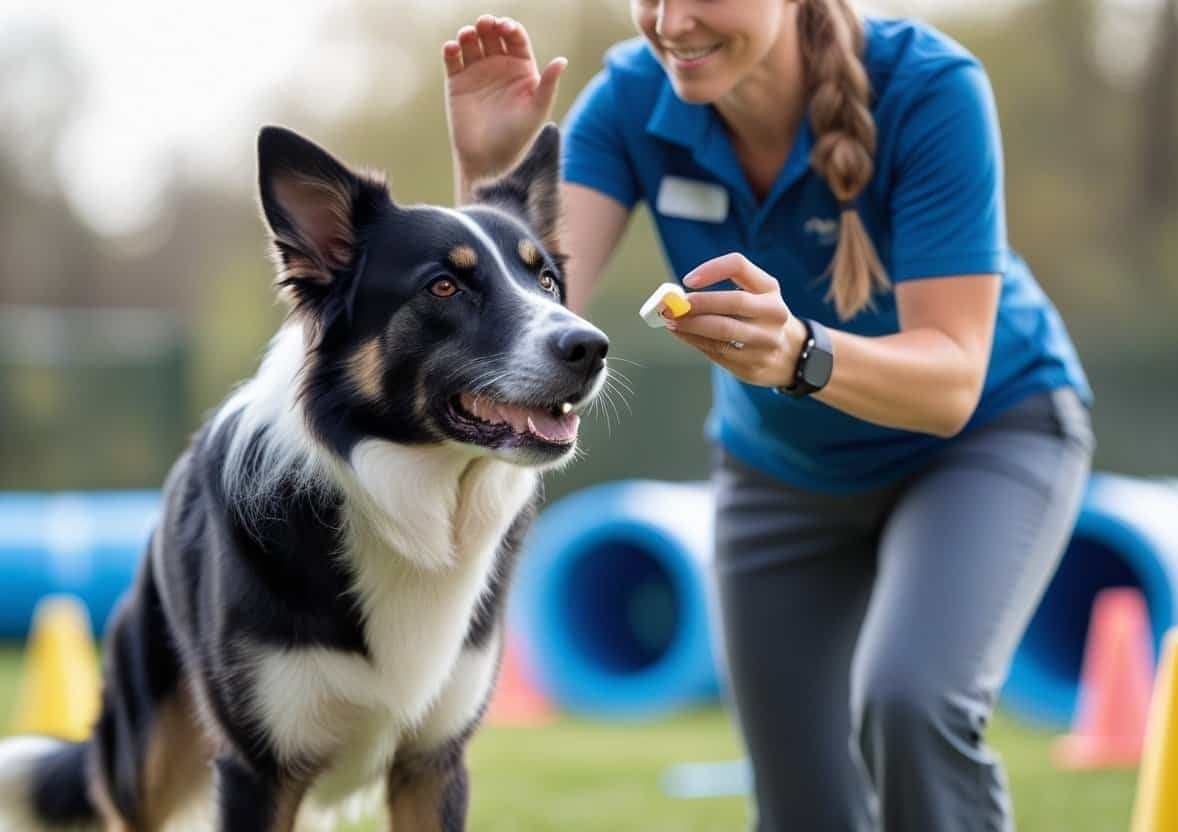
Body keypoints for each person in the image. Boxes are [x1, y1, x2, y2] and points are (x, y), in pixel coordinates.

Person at [443, 2, 1095, 829]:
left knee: (910, 701)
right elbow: (528, 325)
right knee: (800, 801)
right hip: (783, 468)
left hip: (984, 441)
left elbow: (953, 381)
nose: (672, 22)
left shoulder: (931, 89)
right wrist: (491, 178)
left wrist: (799, 354)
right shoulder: (629, 100)